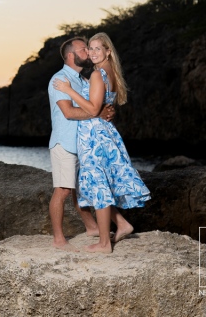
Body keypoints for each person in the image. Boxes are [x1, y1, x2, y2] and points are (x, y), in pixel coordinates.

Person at [53, 32, 150, 253]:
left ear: (108, 51)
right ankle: (122, 225)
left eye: (98, 48)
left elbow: (93, 109)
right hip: (103, 131)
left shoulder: (98, 74)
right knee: (102, 182)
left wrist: (68, 91)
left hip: (94, 136)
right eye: (90, 48)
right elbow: (100, 106)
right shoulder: (109, 73)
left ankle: (105, 243)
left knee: (98, 186)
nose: (93, 52)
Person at [47, 36, 102, 252]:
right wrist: (94, 112)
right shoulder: (59, 79)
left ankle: (91, 227)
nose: (88, 52)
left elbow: (92, 105)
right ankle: (58, 240)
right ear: (71, 55)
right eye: (83, 49)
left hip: (81, 143)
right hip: (65, 143)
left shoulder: (82, 80)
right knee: (62, 190)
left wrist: (103, 111)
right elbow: (69, 112)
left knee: (80, 190)